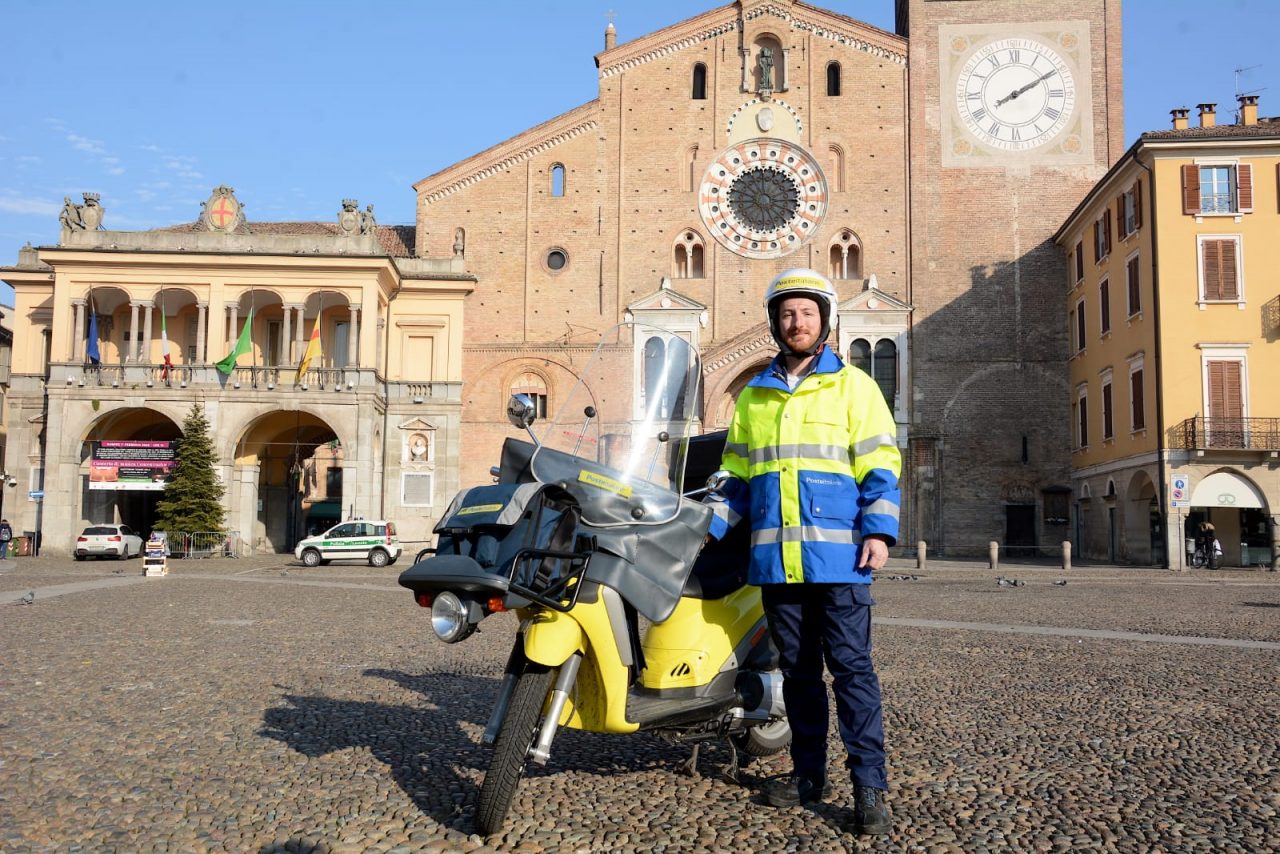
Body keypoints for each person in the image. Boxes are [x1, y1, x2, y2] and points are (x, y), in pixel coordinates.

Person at [705, 268, 900, 835]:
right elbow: (736, 473)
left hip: (842, 559)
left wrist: (879, 532)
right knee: (798, 676)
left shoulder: (855, 387)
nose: (797, 322)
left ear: (824, 319)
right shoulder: (754, 397)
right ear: (775, 322)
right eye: (788, 314)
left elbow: (881, 465)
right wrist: (707, 527)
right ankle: (808, 776)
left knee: (853, 674)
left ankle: (870, 788)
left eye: (807, 313)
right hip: (776, 561)